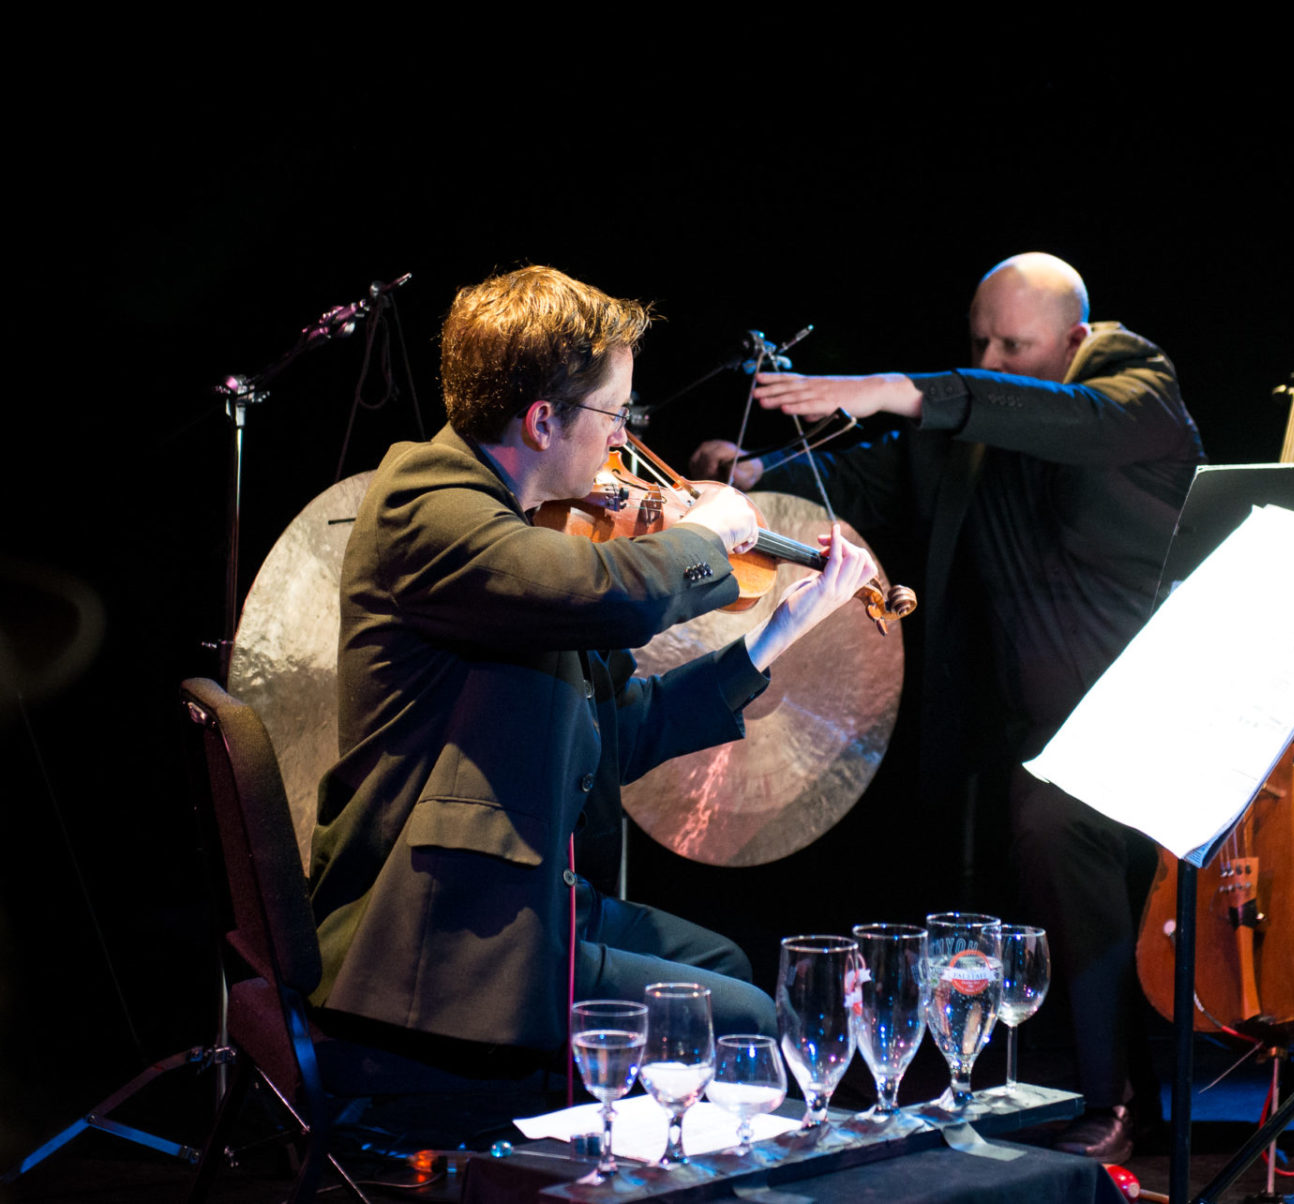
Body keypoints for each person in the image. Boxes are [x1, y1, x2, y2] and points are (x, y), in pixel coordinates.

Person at [693, 252, 1204, 1159]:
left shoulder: (1137, 389)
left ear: (1077, 340)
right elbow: (865, 482)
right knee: (1032, 824)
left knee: (1053, 820)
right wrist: (755, 475)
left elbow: (1066, 419)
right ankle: (1086, 1092)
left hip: (1158, 715)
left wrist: (899, 385)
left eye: (1018, 342)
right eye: (982, 342)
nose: (996, 358)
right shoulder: (964, 428)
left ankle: (1115, 1098)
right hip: (1034, 731)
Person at [308, 266, 877, 1060]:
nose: (623, 438)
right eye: (616, 413)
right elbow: (606, 593)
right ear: (542, 420)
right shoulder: (430, 503)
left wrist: (782, 630)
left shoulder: (527, 527)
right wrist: (705, 534)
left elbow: (622, 731)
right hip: (440, 928)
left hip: (518, 898)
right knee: (741, 1019)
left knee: (723, 966)